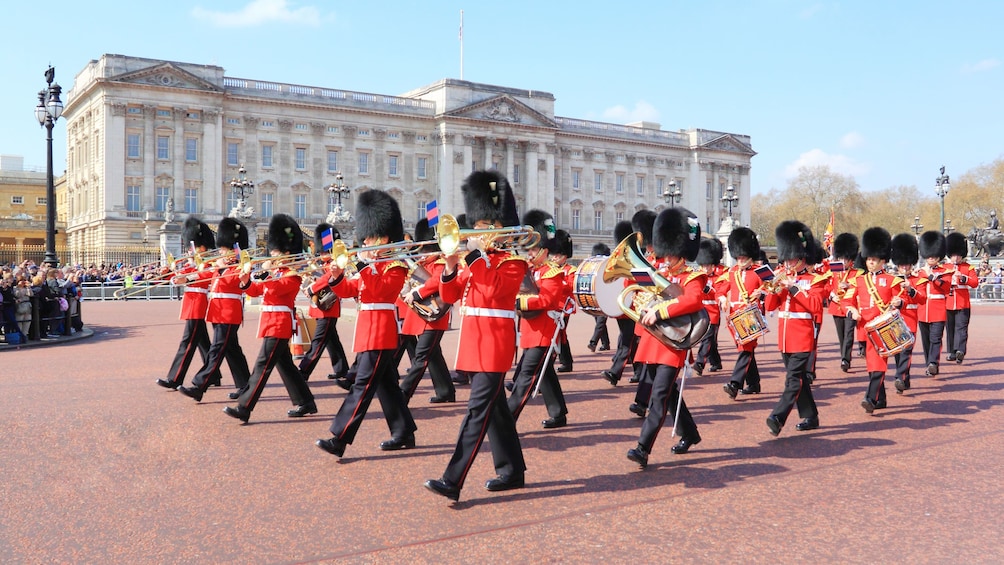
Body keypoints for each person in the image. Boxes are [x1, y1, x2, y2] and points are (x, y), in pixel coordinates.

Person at [424, 170, 528, 502]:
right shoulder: (475, 260)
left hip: (495, 343)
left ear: (499, 227)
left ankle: (452, 479)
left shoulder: (513, 261)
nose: (476, 229)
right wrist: (452, 266)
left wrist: (473, 257)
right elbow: (450, 295)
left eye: (482, 225)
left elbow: (495, 291)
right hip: (474, 341)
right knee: (495, 411)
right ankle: (512, 470)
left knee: (477, 412)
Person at [315, 190, 418, 458]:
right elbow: (352, 289)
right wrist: (335, 278)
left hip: (381, 331)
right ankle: (403, 431)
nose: (366, 241)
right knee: (387, 386)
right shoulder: (371, 265)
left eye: (370, 237)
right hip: (368, 330)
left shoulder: (396, 266)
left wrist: (364, 266)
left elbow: (383, 292)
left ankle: (339, 438)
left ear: (383, 238)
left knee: (362, 386)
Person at [625, 207, 706, 468]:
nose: (667, 258)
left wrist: (660, 309)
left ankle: (642, 447)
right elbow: (638, 292)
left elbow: (693, 300)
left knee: (658, 397)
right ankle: (690, 433)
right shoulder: (658, 272)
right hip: (652, 341)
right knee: (668, 394)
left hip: (673, 344)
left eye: (671, 253)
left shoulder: (694, 276)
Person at [223, 214, 316, 423]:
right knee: (286, 366)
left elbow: (277, 290)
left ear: (286, 252)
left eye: (274, 251)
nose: (271, 254)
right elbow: (257, 291)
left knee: (262, 365)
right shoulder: (276, 272)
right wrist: (246, 281)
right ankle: (306, 401)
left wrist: (267, 274)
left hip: (280, 324)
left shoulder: (292, 274)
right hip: (272, 322)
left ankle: (244, 406)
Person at [762, 221, 828, 435]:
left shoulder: (815, 280)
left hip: (802, 338)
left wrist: (794, 289)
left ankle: (777, 417)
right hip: (784, 338)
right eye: (787, 258)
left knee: (792, 381)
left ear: (802, 258)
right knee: (799, 381)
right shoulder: (782, 278)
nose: (788, 262)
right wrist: (773, 289)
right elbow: (770, 307)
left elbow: (816, 306)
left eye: (792, 258)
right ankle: (811, 416)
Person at [508, 211, 572, 428]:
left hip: (544, 331)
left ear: (544, 250)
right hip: (530, 329)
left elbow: (547, 300)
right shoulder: (530, 270)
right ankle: (558, 413)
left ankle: (508, 419)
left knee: (526, 376)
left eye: (534, 249)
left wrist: (520, 302)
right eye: (530, 248)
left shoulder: (551, 273)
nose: (530, 252)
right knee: (545, 373)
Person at [178, 218, 253, 402]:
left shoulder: (240, 265)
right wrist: (186, 279)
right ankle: (245, 386)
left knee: (217, 349)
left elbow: (233, 283)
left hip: (229, 313)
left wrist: (221, 267)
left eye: (224, 249)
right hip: (218, 312)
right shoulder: (220, 265)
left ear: (234, 249)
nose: (220, 252)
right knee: (232, 349)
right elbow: (205, 275)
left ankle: (199, 385)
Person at [842, 227, 906, 413]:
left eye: (874, 260)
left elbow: (904, 299)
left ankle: (870, 397)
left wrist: (899, 301)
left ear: (882, 261)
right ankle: (881, 399)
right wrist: (851, 310)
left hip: (884, 328)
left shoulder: (892, 280)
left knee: (878, 362)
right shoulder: (859, 281)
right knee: (871, 363)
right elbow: (846, 301)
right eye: (869, 259)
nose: (870, 263)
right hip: (865, 327)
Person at [398, 218, 456, 404]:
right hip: (421, 314)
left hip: (434, 316)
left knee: (421, 357)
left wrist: (416, 293)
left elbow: (436, 281)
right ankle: (446, 391)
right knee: (433, 356)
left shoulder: (439, 262)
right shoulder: (424, 261)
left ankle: (403, 393)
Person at [156, 217, 215, 390]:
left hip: (198, 304)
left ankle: (175, 378)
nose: (191, 250)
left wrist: (185, 278)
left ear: (203, 247)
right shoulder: (193, 263)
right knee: (202, 341)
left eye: (194, 247)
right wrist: (166, 273)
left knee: (188, 342)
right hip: (191, 303)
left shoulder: (208, 263)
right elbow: (178, 276)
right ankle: (215, 375)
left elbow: (204, 277)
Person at [297, 223, 350, 382]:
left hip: (328, 307)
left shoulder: (335, 263)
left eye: (324, 251)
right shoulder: (322, 263)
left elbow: (328, 279)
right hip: (320, 306)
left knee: (318, 342)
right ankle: (342, 369)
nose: (321, 254)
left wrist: (313, 286)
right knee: (332, 341)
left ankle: (303, 371)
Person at [720, 227, 764, 399]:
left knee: (745, 349)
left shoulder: (759, 270)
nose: (740, 260)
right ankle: (754, 383)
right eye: (738, 257)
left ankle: (735, 383)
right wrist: (722, 298)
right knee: (746, 348)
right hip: (734, 315)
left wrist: (761, 292)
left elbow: (772, 287)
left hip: (751, 314)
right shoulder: (731, 272)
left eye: (743, 257)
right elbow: (720, 289)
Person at [601, 220, 643, 386]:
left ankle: (615, 372)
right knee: (632, 341)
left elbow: (644, 283)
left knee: (626, 341)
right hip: (623, 306)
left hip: (634, 307)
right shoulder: (620, 259)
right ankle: (639, 372)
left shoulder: (638, 260)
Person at [890, 233, 926, 394]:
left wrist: (910, 290)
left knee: (906, 350)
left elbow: (922, 299)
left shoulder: (918, 279)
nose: (904, 267)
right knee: (898, 352)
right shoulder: (891, 280)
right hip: (895, 320)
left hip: (910, 319)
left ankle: (899, 377)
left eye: (907, 264)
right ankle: (905, 378)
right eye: (902, 265)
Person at [827, 233, 864, 373]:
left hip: (850, 306)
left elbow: (861, 288)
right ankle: (844, 355)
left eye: (846, 259)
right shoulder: (834, 271)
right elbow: (827, 286)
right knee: (841, 335)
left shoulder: (857, 273)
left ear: (851, 260)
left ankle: (845, 359)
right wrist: (832, 296)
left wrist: (849, 286)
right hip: (836, 306)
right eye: (841, 258)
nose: (843, 261)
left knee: (849, 333)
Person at [916, 231, 949, 378]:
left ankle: (933, 363)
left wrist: (931, 277)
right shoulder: (919, 272)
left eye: (934, 256)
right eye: (929, 255)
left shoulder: (945, 271)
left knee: (936, 338)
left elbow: (946, 287)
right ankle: (929, 364)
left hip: (938, 309)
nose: (931, 258)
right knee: (926, 341)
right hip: (923, 309)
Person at [944, 232, 978, 364]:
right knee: (950, 328)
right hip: (948, 302)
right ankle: (952, 352)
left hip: (963, 303)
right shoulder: (944, 268)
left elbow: (974, 283)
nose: (955, 258)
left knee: (961, 328)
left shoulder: (968, 267)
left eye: (958, 255)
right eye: (953, 255)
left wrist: (963, 278)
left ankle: (961, 351)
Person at [693, 238, 725, 376]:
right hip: (700, 311)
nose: (705, 268)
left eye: (708, 265)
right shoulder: (698, 274)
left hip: (713, 312)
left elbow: (720, 291)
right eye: (703, 265)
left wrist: (708, 289)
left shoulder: (721, 274)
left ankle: (699, 363)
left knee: (707, 338)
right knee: (711, 340)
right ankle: (716, 362)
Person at [587, 242, 612, 353]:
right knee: (599, 320)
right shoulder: (594, 267)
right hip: (596, 297)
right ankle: (605, 343)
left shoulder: (608, 267)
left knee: (601, 321)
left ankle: (593, 342)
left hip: (606, 297)